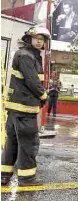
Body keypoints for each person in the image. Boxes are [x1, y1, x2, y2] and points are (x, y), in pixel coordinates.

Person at [1, 26, 50, 186]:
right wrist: (43, 96)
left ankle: (4, 175)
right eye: (36, 38)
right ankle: (27, 178)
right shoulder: (26, 56)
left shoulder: (29, 55)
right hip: (24, 109)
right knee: (28, 144)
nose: (39, 41)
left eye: (42, 40)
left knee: (13, 143)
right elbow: (32, 81)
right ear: (28, 39)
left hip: (17, 109)